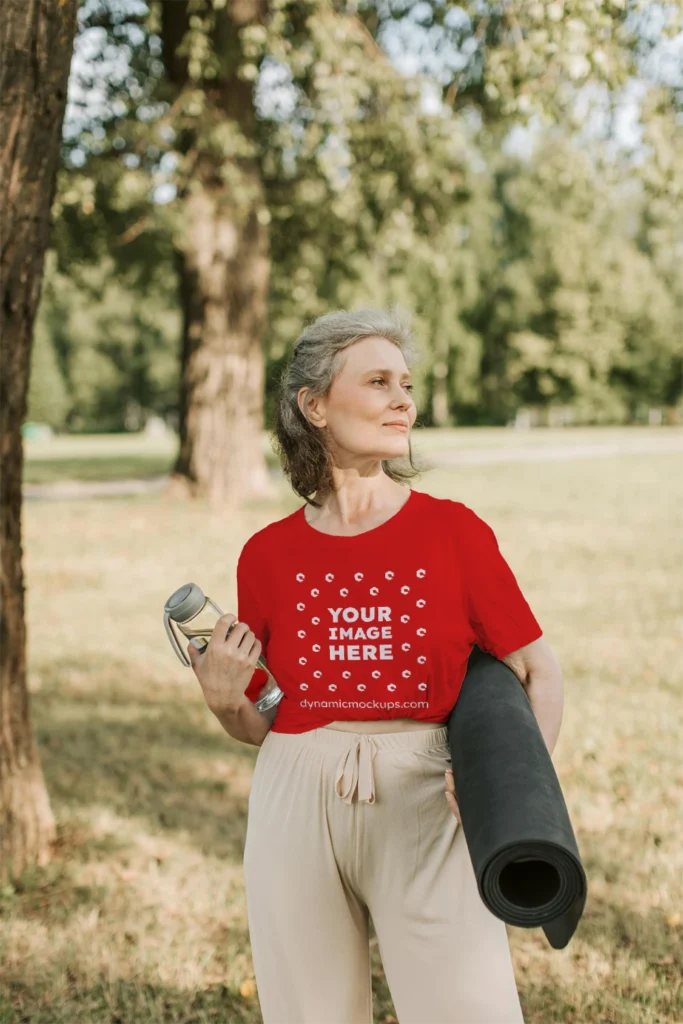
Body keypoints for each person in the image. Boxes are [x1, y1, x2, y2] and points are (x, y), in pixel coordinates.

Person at [188, 307, 561, 1024]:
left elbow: (537, 670)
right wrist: (224, 699)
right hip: (293, 790)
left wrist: (513, 795)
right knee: (308, 1012)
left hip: (426, 790)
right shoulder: (265, 555)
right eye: (379, 382)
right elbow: (260, 722)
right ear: (315, 404)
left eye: (406, 384)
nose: (403, 401)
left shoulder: (453, 531)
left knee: (467, 1009)